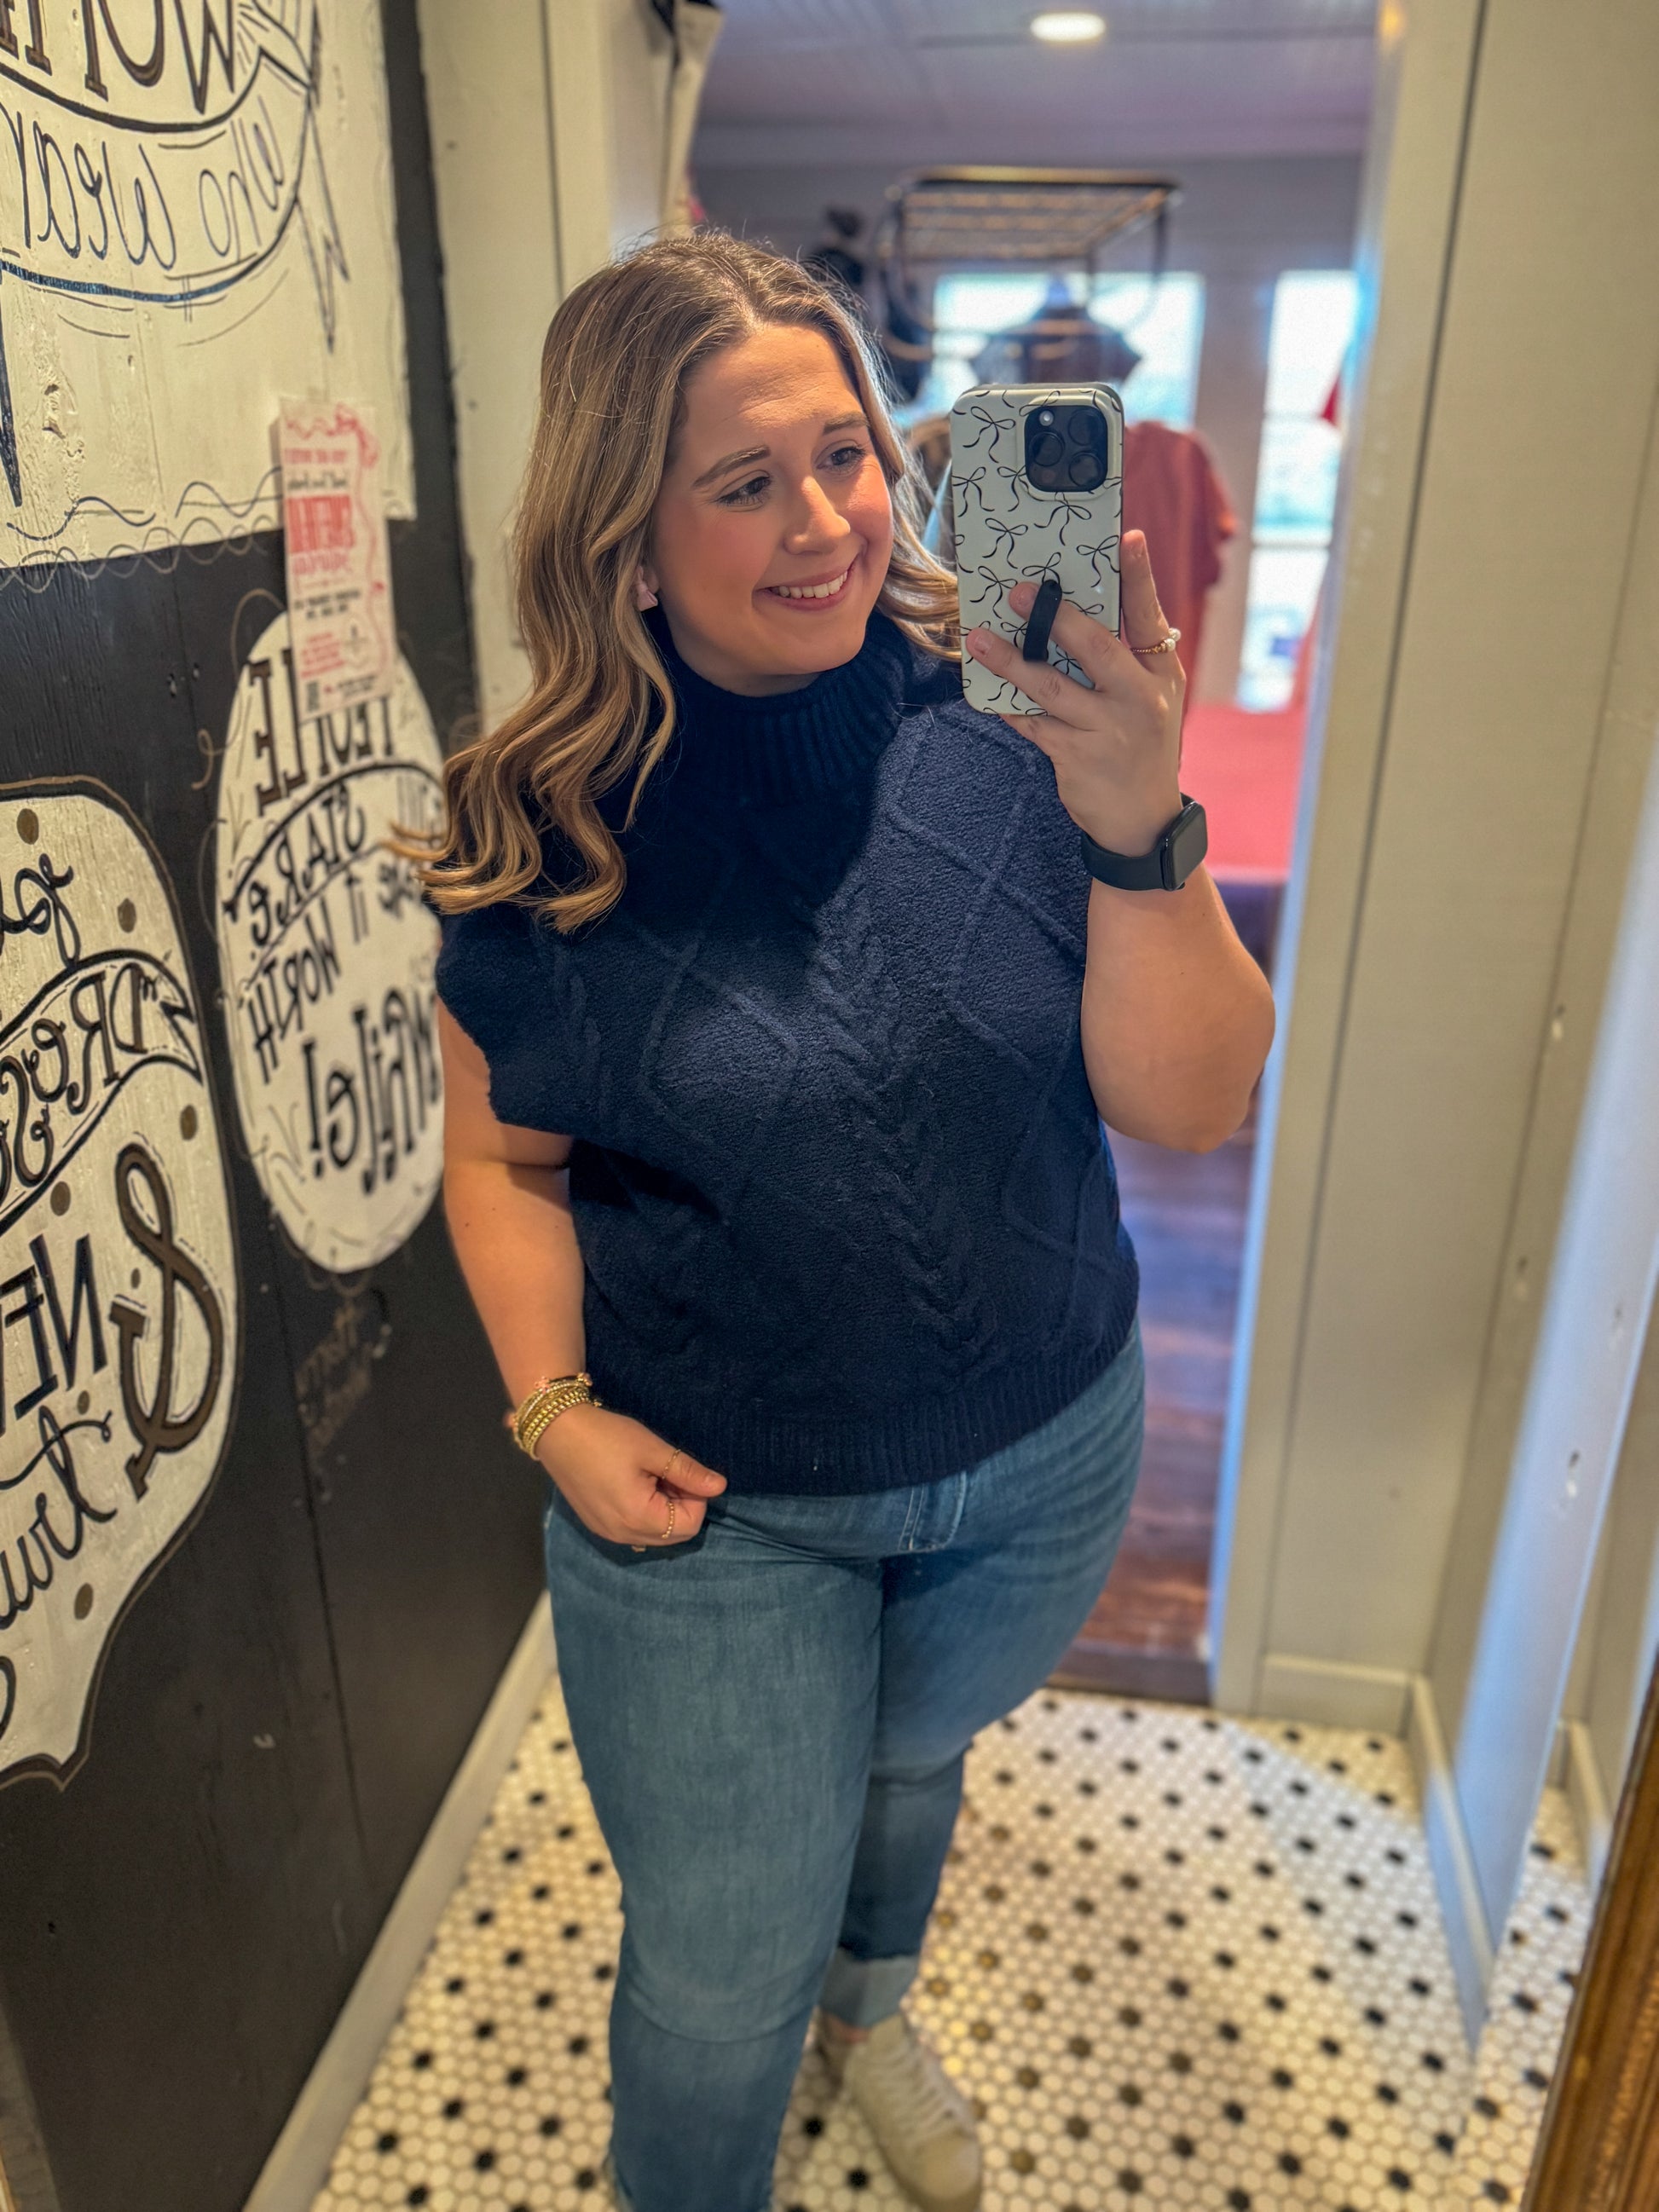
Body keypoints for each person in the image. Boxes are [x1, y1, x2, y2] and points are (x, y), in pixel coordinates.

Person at [409, 232, 1275, 2212]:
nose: (824, 523)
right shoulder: (539, 837)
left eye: (846, 456)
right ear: (624, 533)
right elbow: (501, 1164)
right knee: (716, 1975)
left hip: (1042, 1454)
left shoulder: (1022, 725)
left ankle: (872, 2009)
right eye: (743, 482)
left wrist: (1146, 820)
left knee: (903, 1769)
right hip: (718, 1507)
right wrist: (549, 1407)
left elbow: (1193, 1098)